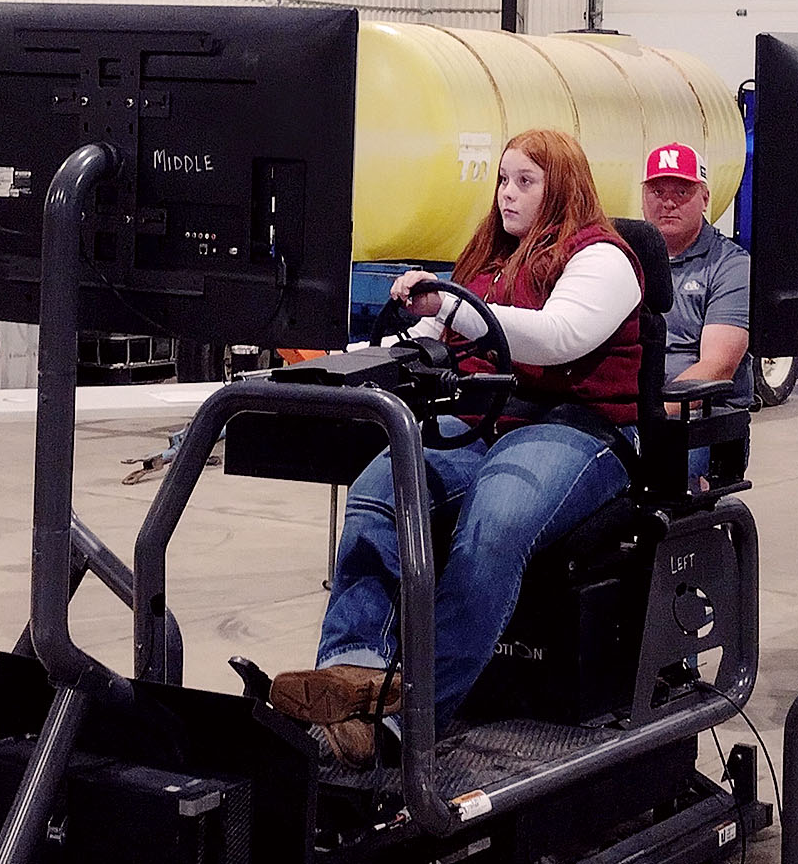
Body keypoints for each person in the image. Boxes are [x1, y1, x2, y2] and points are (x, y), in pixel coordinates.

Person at [268, 129, 645, 765]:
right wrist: (344, 364)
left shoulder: (603, 257)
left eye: (526, 181)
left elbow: (558, 337)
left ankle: (413, 715)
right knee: (379, 490)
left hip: (579, 430)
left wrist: (456, 306)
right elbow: (429, 335)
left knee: (493, 521)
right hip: (488, 425)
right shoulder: (489, 260)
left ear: (563, 186)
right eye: (503, 180)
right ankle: (348, 676)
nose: (507, 194)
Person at [638, 142, 754, 480]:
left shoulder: (730, 267)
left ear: (705, 198)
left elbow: (717, 366)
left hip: (700, 419)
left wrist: (648, 414)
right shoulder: (624, 257)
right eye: (657, 190)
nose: (668, 202)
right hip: (634, 410)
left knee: (661, 476)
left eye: (682, 191)